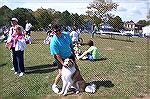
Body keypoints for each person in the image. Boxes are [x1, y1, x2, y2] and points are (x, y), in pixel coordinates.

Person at [50, 24, 79, 93]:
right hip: (60, 57)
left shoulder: (66, 34)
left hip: (69, 55)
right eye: (56, 31)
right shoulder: (53, 42)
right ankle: (54, 86)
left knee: (76, 70)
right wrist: (63, 63)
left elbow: (70, 45)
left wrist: (74, 53)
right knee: (61, 73)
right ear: (53, 32)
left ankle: (71, 83)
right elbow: (57, 55)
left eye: (59, 30)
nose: (58, 32)